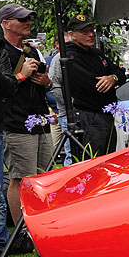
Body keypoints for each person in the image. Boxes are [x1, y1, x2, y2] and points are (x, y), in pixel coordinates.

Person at [0, 3, 50, 234]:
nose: (27, 22)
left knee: (47, 175)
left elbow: (46, 85)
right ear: (6, 24)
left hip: (40, 118)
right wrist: (22, 74)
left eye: (28, 18)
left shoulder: (31, 50)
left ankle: (46, 225)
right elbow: (1, 89)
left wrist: (46, 82)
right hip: (15, 123)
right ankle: (22, 233)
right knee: (21, 178)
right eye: (21, 19)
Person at [64, 14, 127, 158]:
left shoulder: (96, 53)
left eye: (91, 30)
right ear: (72, 35)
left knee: (108, 159)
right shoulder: (70, 58)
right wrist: (111, 78)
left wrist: (113, 78)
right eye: (85, 32)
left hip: (106, 115)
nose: (91, 34)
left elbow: (120, 72)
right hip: (90, 116)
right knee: (93, 161)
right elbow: (95, 86)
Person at [48, 33, 73, 166]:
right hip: (61, 112)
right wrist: (66, 105)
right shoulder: (57, 59)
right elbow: (52, 85)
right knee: (64, 152)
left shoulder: (75, 57)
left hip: (73, 111)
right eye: (65, 43)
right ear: (57, 44)